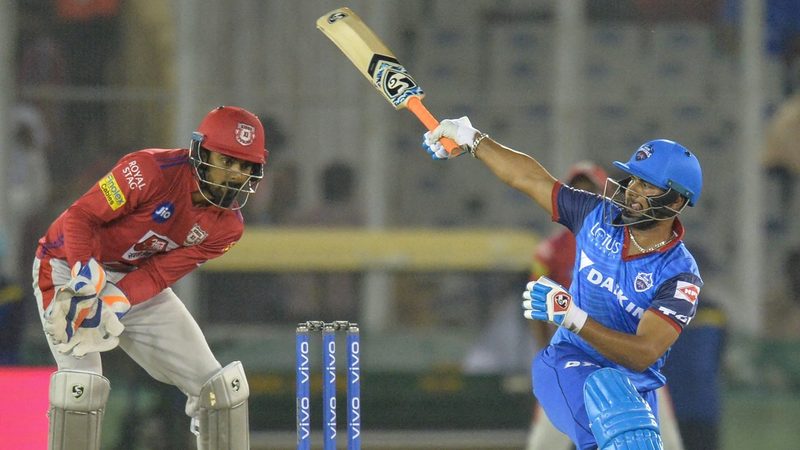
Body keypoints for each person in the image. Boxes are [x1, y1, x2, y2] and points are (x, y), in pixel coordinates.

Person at [422, 117, 703, 450]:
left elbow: (643, 353)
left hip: (633, 388)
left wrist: (573, 317)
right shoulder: (596, 215)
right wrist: (472, 138)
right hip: (569, 362)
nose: (633, 192)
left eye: (648, 185)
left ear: (676, 202)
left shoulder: (679, 274)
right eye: (634, 180)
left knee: (629, 425)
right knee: (619, 424)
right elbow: (529, 178)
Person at [33, 105, 267, 450]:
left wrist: (113, 302)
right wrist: (84, 280)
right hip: (67, 265)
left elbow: (157, 274)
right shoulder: (149, 170)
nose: (235, 175)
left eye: (245, 166)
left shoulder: (227, 228)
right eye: (226, 161)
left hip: (133, 275)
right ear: (201, 152)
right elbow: (81, 217)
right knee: (81, 387)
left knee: (220, 391)